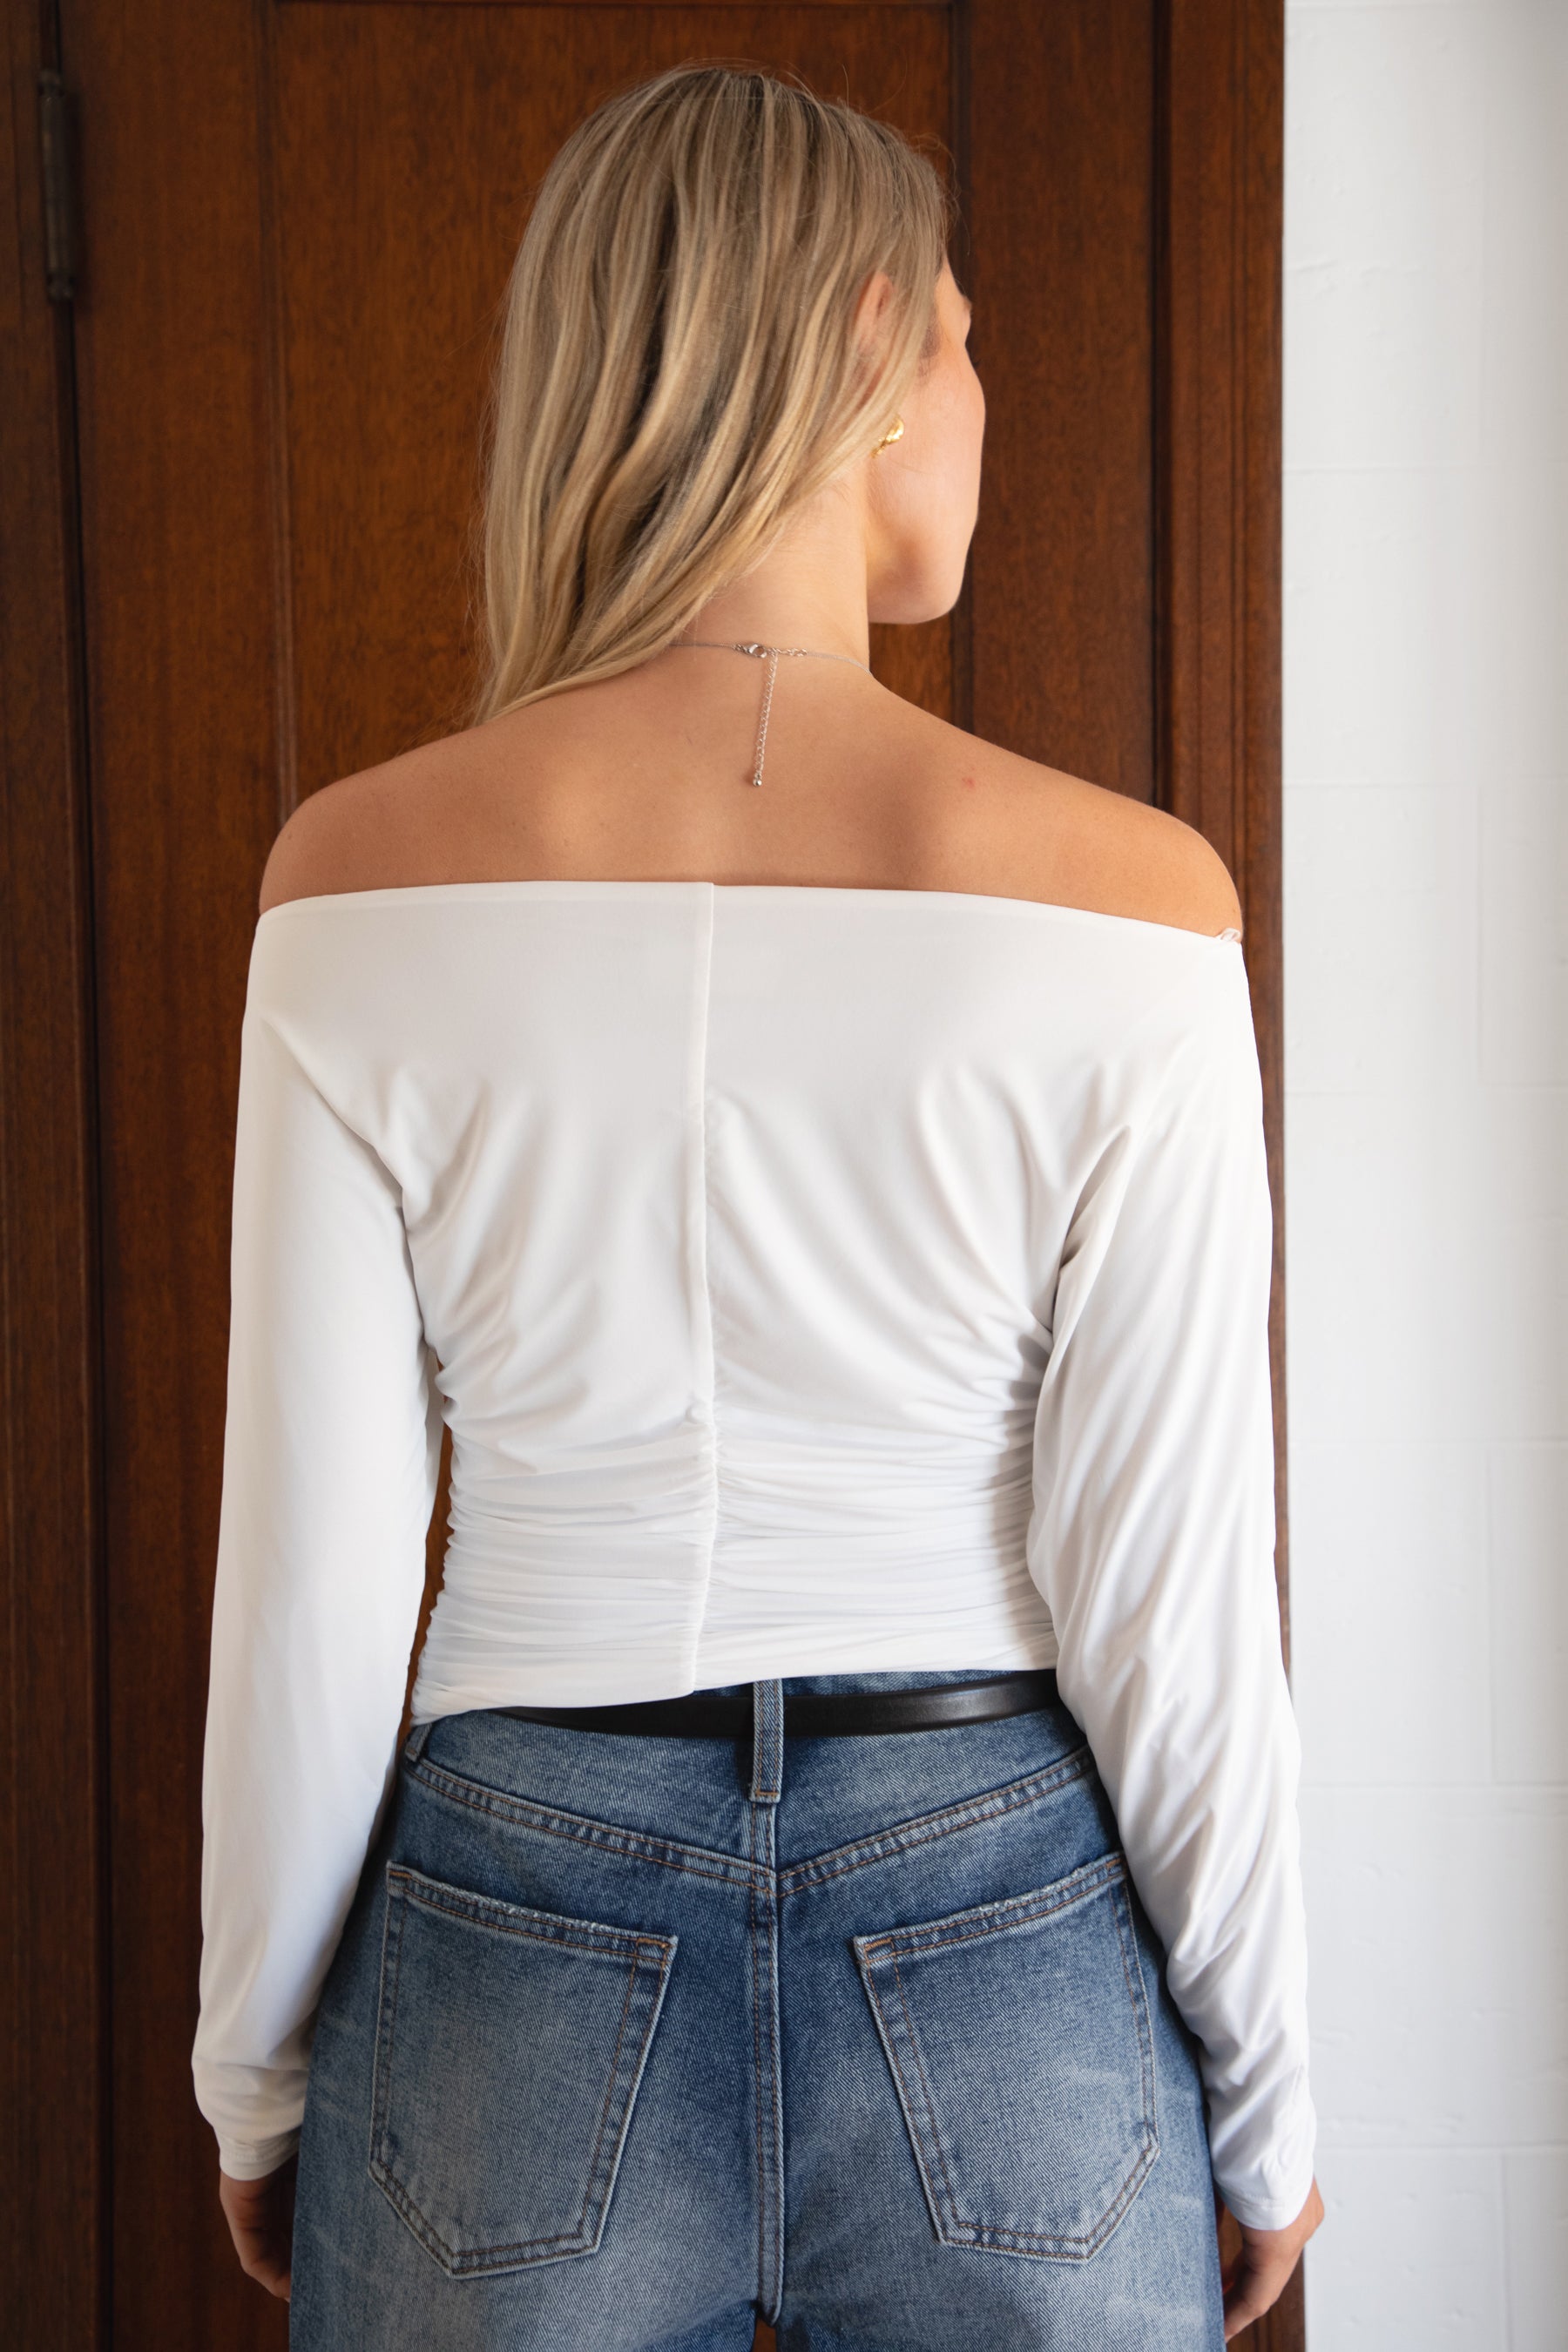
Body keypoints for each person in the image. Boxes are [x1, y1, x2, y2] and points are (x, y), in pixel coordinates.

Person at [193, 61, 1321, 2350]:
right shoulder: (1133, 906)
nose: (983, 397)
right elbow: (1175, 1592)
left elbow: (314, 1584)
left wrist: (256, 2067)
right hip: (998, 1908)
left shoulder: (354, 886)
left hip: (517, 1910)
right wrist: (1273, 2097)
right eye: (974, 339)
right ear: (873, 340)